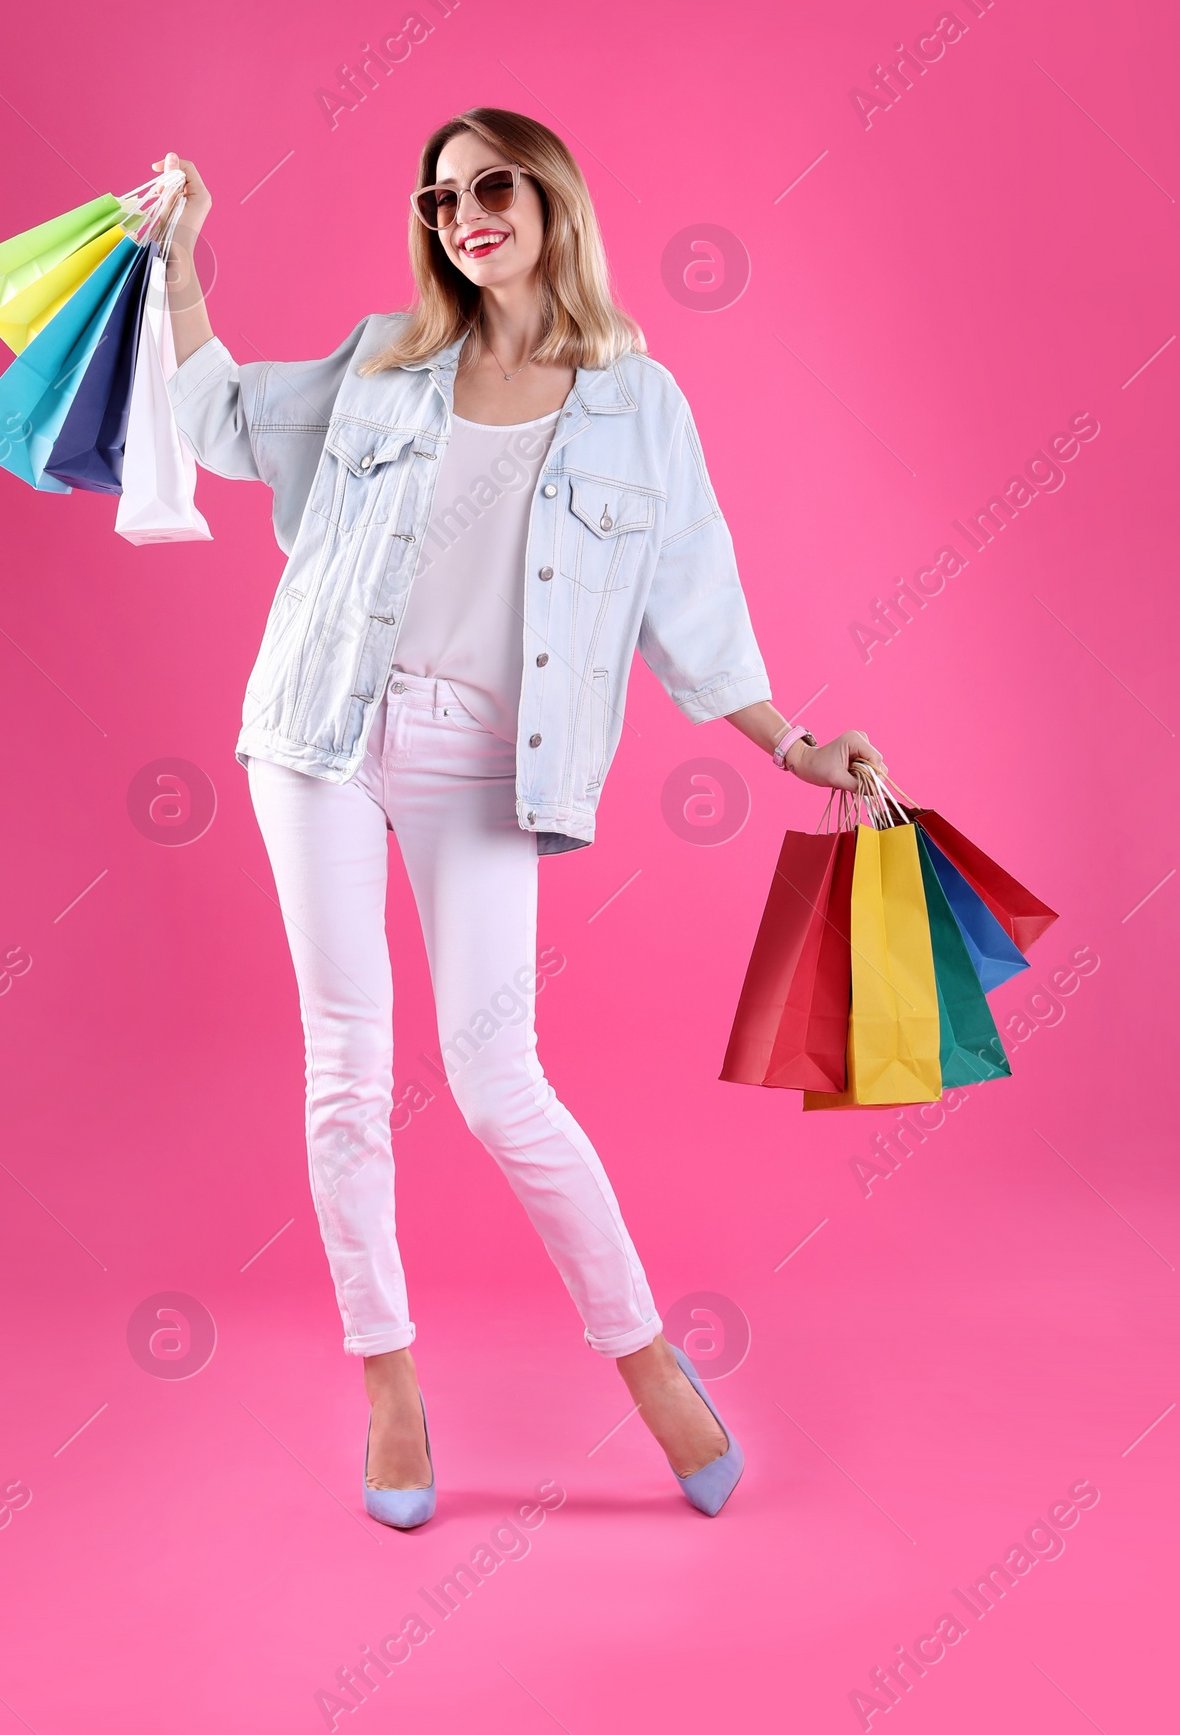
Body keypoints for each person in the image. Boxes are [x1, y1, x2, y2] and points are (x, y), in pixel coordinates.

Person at [156, 108, 884, 1526]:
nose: (467, 214)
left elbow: (694, 608)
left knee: (500, 1085)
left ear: (552, 197)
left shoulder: (638, 402)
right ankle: (387, 1384)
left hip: (484, 759)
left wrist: (793, 745)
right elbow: (222, 424)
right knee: (345, 1068)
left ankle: (647, 1356)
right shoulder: (388, 359)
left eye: (493, 186)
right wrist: (184, 266)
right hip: (316, 733)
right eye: (441, 199)